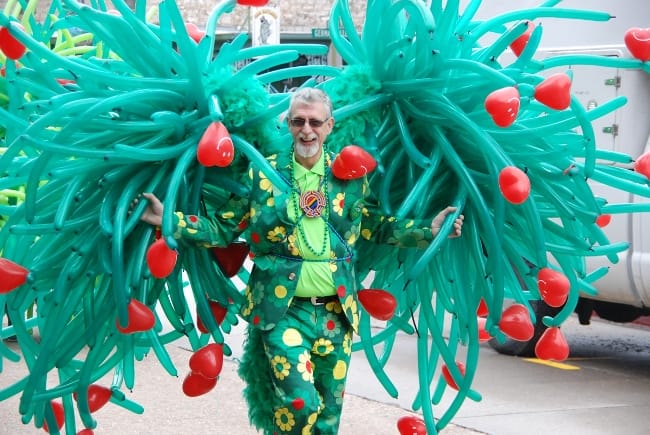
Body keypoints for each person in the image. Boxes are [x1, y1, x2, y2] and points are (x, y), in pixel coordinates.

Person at [139, 87, 464, 434]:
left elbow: (375, 226)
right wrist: (168, 221)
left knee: (327, 416)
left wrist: (428, 231)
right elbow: (222, 228)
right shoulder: (263, 175)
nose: (306, 129)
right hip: (283, 311)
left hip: (336, 314)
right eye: (298, 121)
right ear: (288, 125)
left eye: (314, 122)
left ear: (329, 126)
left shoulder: (350, 177)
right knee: (301, 402)